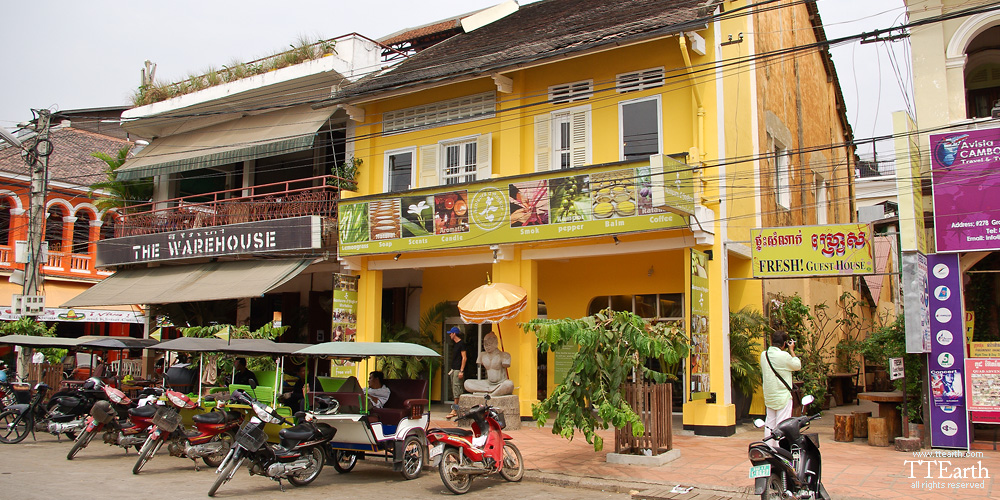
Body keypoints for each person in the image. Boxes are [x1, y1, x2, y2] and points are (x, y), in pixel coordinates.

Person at [760, 330, 802, 443]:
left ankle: (769, 448)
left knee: (769, 424)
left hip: (769, 395)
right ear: (784, 344)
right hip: (783, 396)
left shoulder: (764, 355)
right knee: (782, 425)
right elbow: (797, 365)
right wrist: (791, 350)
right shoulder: (784, 356)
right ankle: (780, 450)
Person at [464, 332, 513, 396]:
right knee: (467, 383)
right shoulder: (482, 355)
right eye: (485, 344)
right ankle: (490, 392)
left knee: (509, 384)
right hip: (487, 384)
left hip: (500, 383)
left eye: (490, 344)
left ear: (496, 344)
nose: (487, 347)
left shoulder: (504, 355)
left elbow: (506, 364)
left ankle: (492, 394)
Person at [445, 327, 467, 419]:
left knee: (457, 390)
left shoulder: (462, 344)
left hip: (458, 370)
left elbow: (464, 358)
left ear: (454, 334)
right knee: (454, 390)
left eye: (451, 333)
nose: (450, 335)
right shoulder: (455, 344)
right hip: (454, 369)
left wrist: (461, 370)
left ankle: (455, 410)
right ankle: (456, 409)